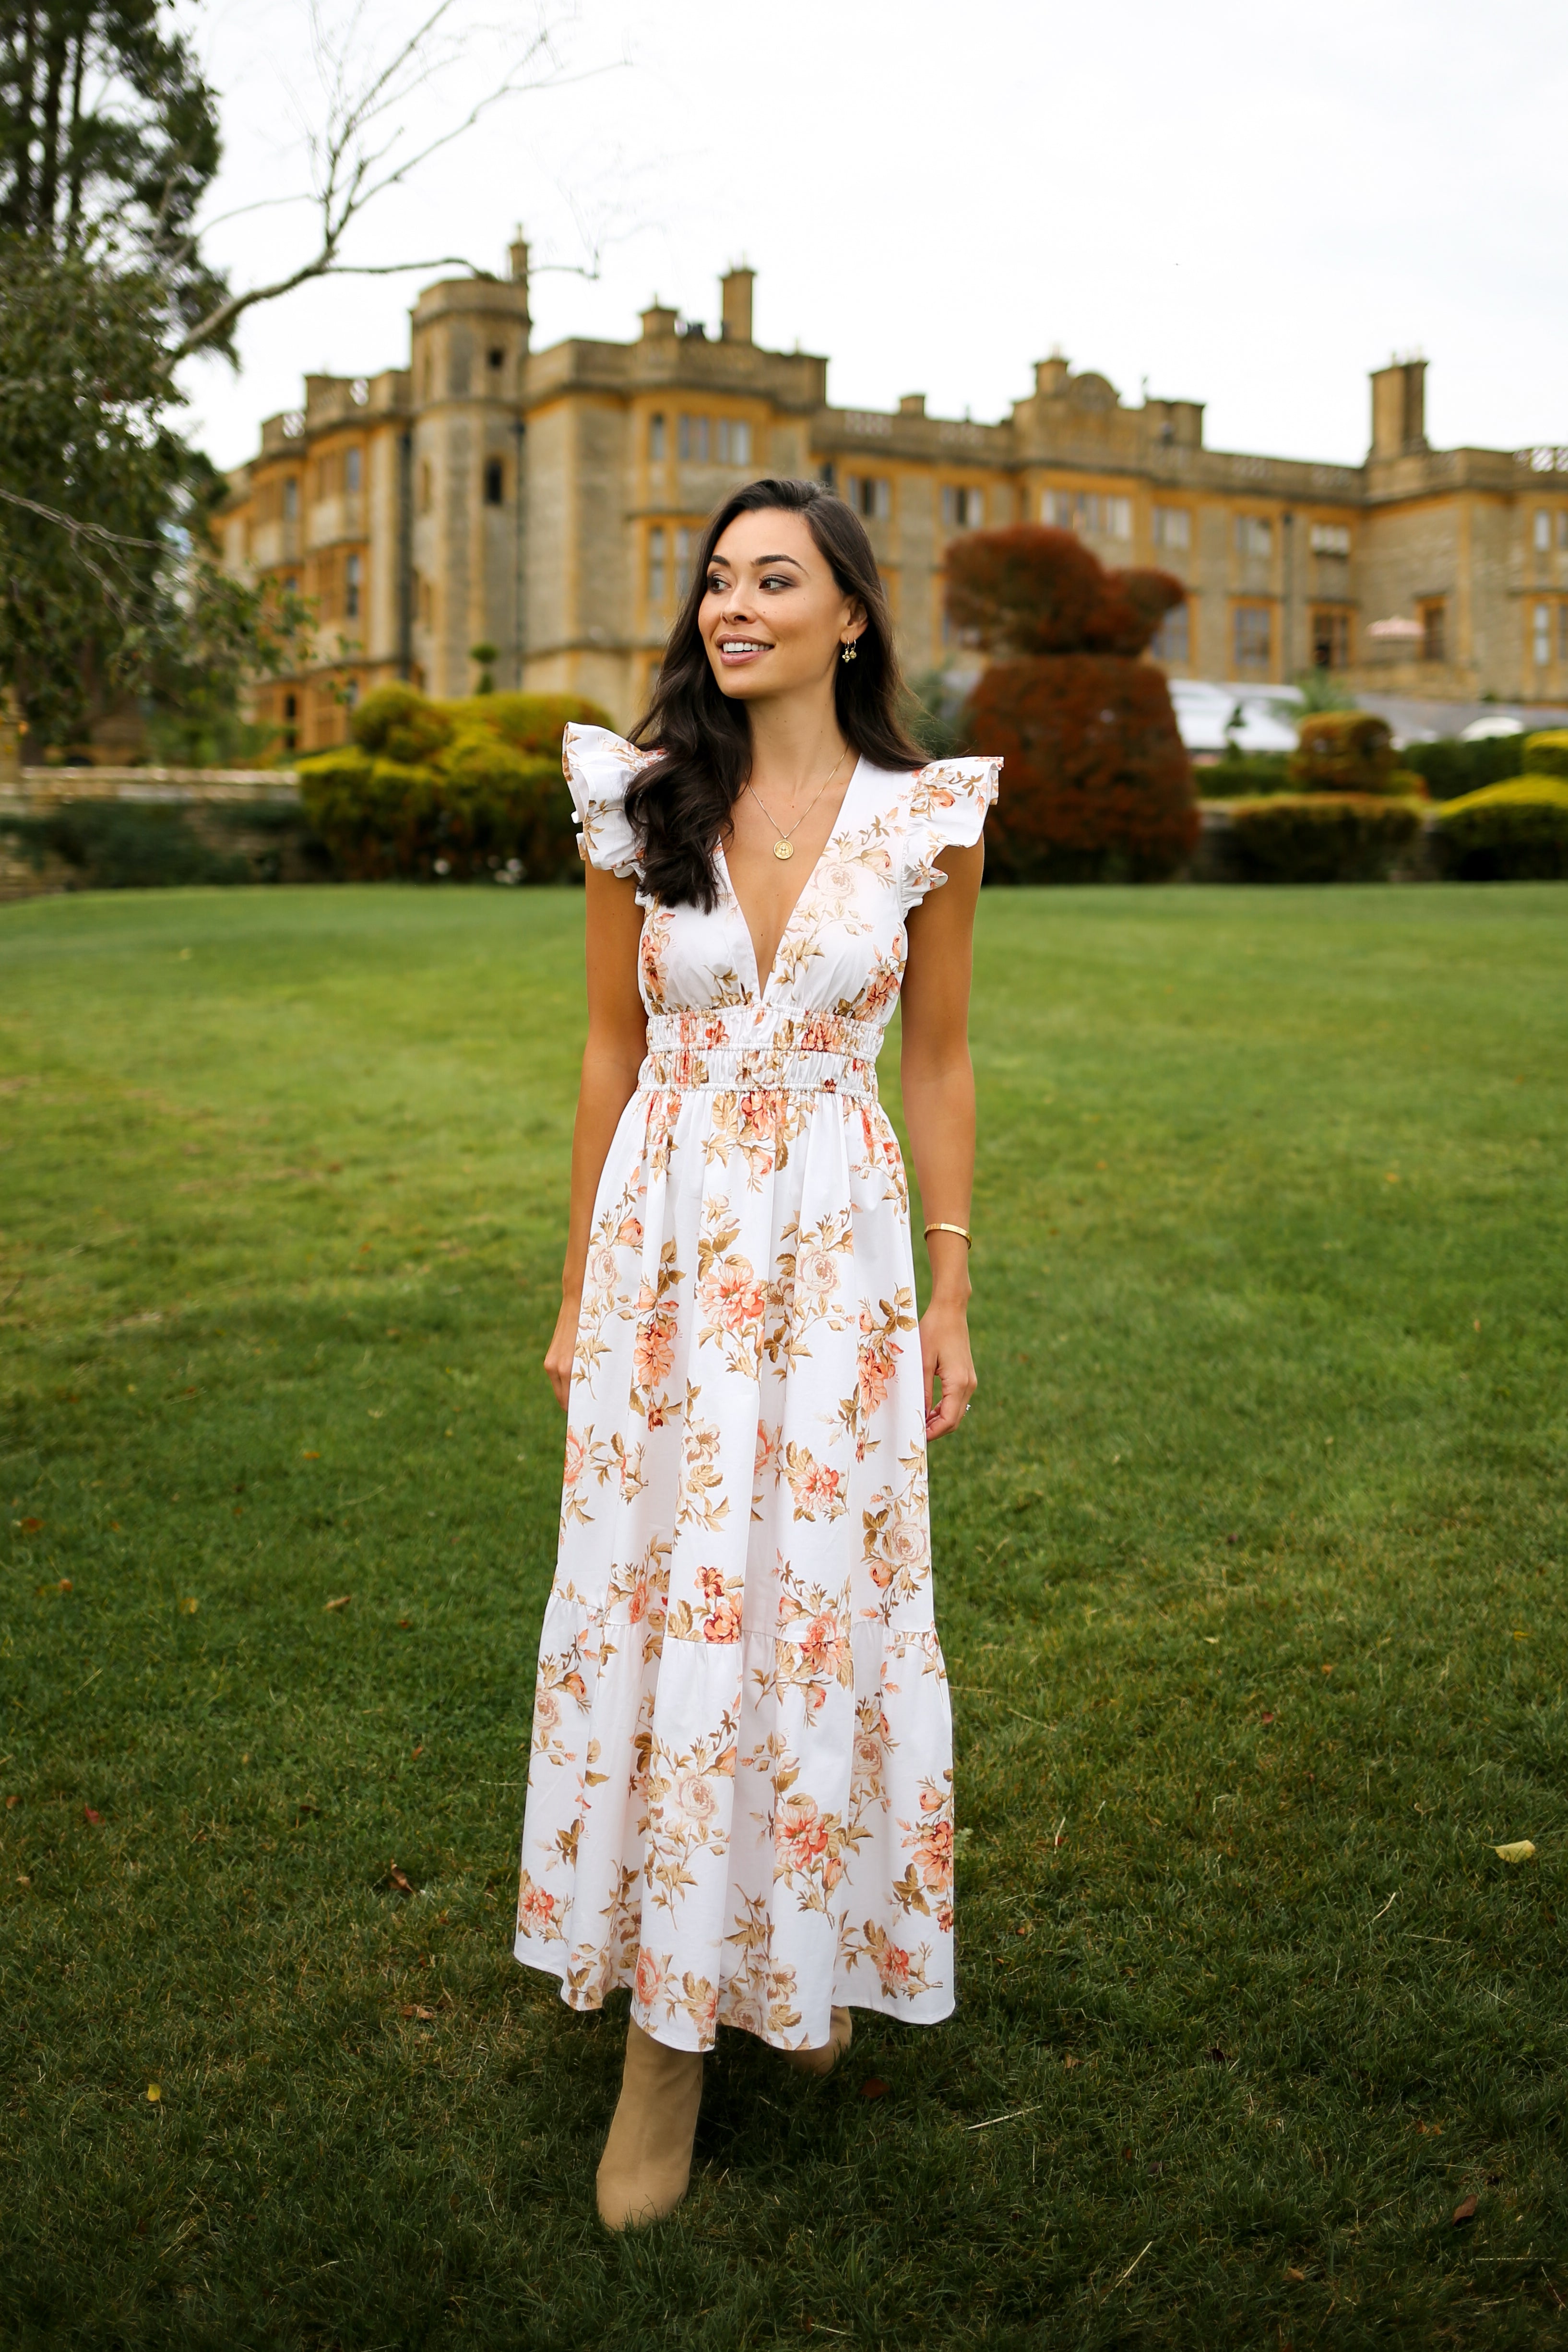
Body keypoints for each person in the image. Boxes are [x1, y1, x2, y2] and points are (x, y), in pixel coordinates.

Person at [513, 475, 998, 2230]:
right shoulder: (640, 801)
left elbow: (933, 1063)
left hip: (837, 1250)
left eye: (772, 580)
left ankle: (795, 1939)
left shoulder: (926, 818)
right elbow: (600, 1055)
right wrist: (578, 1284)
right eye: (716, 581)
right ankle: (662, 2045)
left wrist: (948, 1284)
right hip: (670, 1246)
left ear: (849, 616)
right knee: (671, 1599)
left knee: (813, 1597)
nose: (732, 607)